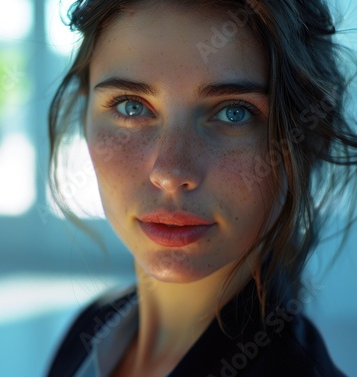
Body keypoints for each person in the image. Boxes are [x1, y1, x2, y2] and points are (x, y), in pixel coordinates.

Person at [46, 0, 357, 376]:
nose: (171, 171)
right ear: (85, 116)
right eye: (131, 107)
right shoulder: (89, 329)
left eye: (234, 112)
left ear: (308, 139)